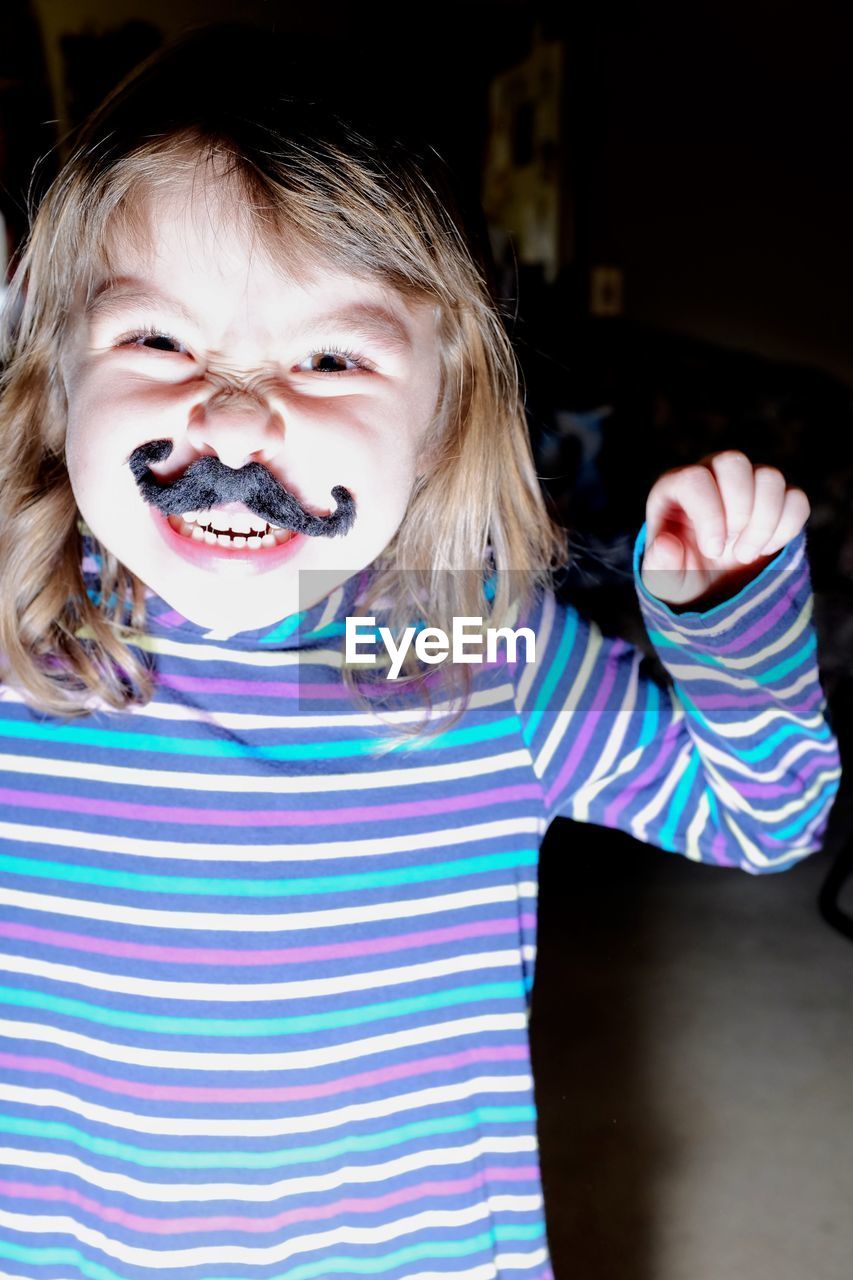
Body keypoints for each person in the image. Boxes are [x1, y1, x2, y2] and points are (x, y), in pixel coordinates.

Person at [0, 27, 841, 1280]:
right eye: (158, 343)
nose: (232, 416)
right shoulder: (20, 640)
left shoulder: (454, 642)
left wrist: (729, 627)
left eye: (330, 358)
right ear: (61, 371)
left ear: (442, 403)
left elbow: (765, 816)